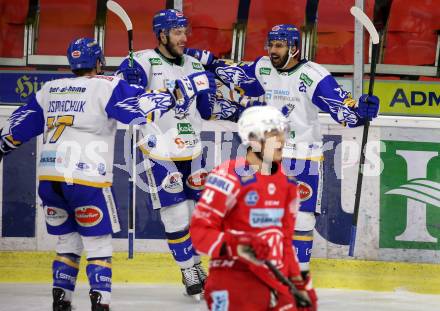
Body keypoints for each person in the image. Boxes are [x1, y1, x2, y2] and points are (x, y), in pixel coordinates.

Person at [0, 37, 215, 311]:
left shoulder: (49, 89)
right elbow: (139, 111)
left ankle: (61, 297)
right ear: (99, 62)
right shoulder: (107, 85)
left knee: (67, 240)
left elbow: (16, 127)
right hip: (86, 178)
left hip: (49, 177)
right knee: (98, 243)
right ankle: (101, 301)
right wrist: (174, 92)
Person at [185, 24, 380, 283]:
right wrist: (208, 61)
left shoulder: (313, 76)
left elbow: (344, 111)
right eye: (271, 45)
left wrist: (362, 112)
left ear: (295, 48)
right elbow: (236, 75)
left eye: (279, 46)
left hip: (303, 158)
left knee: (301, 219)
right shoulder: (264, 66)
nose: (273, 51)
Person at [117, 9, 224, 297]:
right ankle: (188, 270)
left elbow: (205, 111)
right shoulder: (141, 61)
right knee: (175, 213)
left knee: (192, 213)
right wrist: (126, 80)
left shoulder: (193, 64)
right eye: (178, 32)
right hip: (159, 149)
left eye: (185, 32)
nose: (184, 38)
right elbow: (127, 105)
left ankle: (194, 262)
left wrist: (210, 91)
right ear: (162, 34)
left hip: (192, 149)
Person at [190, 106, 317, 311]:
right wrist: (235, 245)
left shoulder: (288, 184)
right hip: (232, 283)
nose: (282, 140)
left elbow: (284, 241)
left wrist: (301, 284)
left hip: (274, 284)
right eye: (273, 134)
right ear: (253, 139)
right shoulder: (228, 176)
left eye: (282, 133)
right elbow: (199, 233)